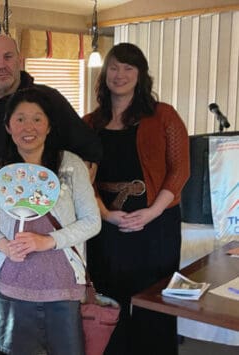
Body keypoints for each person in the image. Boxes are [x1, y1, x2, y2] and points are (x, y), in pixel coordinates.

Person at [0, 34, 102, 352]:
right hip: (0, 233)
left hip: (57, 252)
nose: (1, 65)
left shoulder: (49, 101)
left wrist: (75, 182)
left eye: (8, 57)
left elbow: (91, 148)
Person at [83, 43, 190, 355]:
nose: (120, 74)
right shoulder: (89, 123)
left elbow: (180, 170)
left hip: (156, 226)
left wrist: (151, 212)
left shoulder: (163, 116)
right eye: (114, 67)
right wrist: (105, 214)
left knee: (154, 302)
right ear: (104, 75)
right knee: (109, 298)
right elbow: (81, 177)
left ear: (141, 74)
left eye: (129, 68)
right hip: (106, 225)